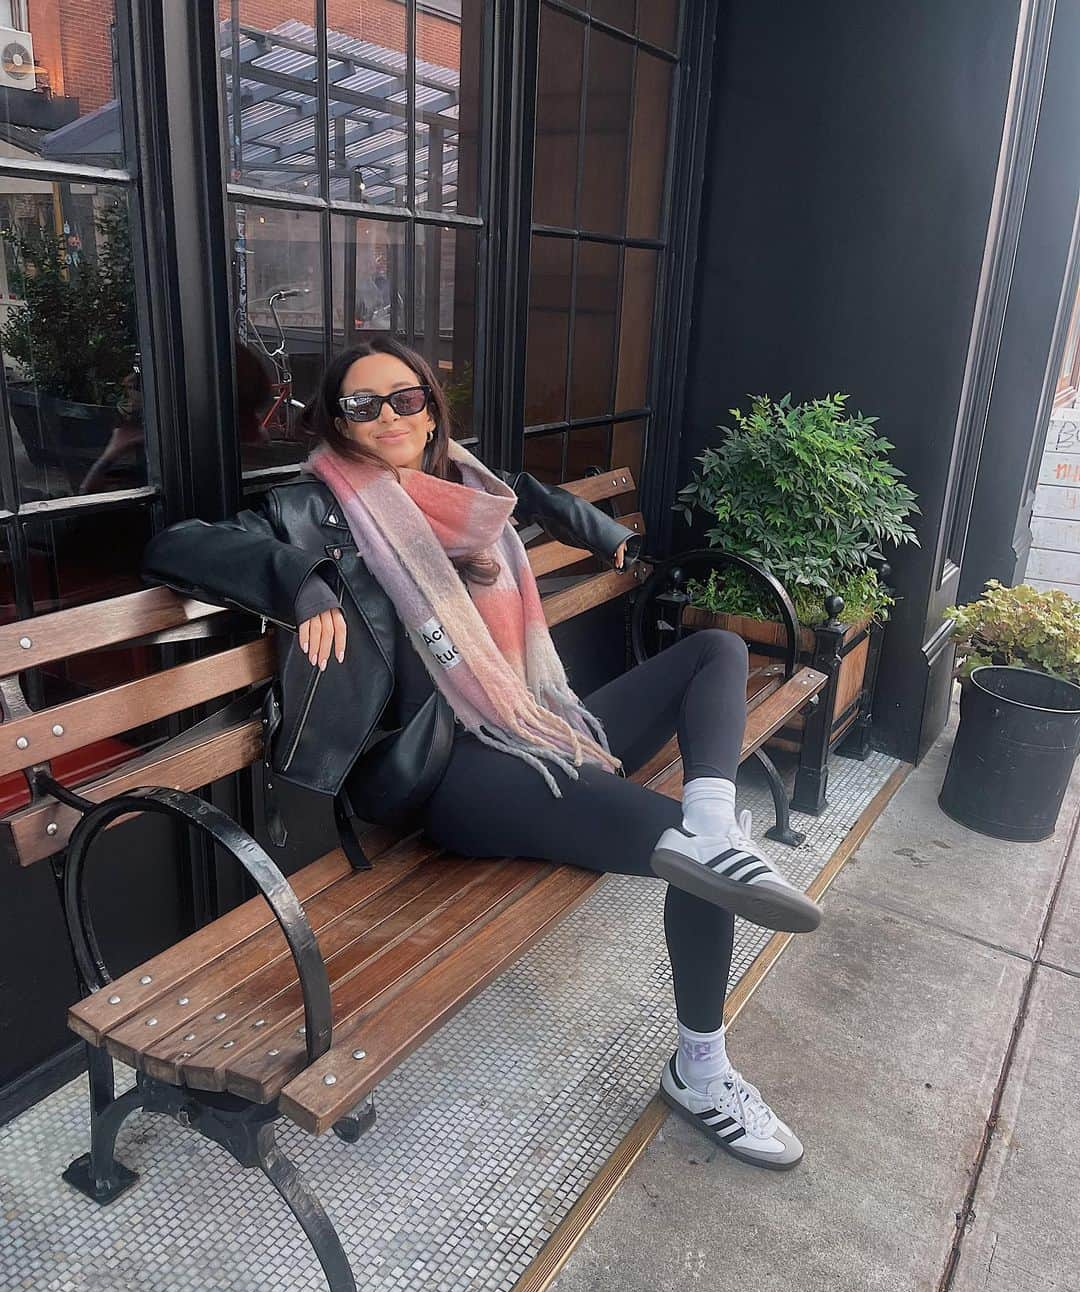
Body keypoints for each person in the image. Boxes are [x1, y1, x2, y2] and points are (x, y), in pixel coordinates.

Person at [142, 335, 820, 1171]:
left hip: (532, 723)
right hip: (444, 777)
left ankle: (717, 821)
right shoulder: (311, 508)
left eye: (406, 398)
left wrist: (604, 533)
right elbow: (173, 542)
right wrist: (301, 579)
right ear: (337, 419)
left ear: (431, 404)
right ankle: (703, 1073)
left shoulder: (465, 483)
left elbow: (529, 495)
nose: (389, 417)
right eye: (362, 404)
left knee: (715, 661)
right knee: (697, 860)